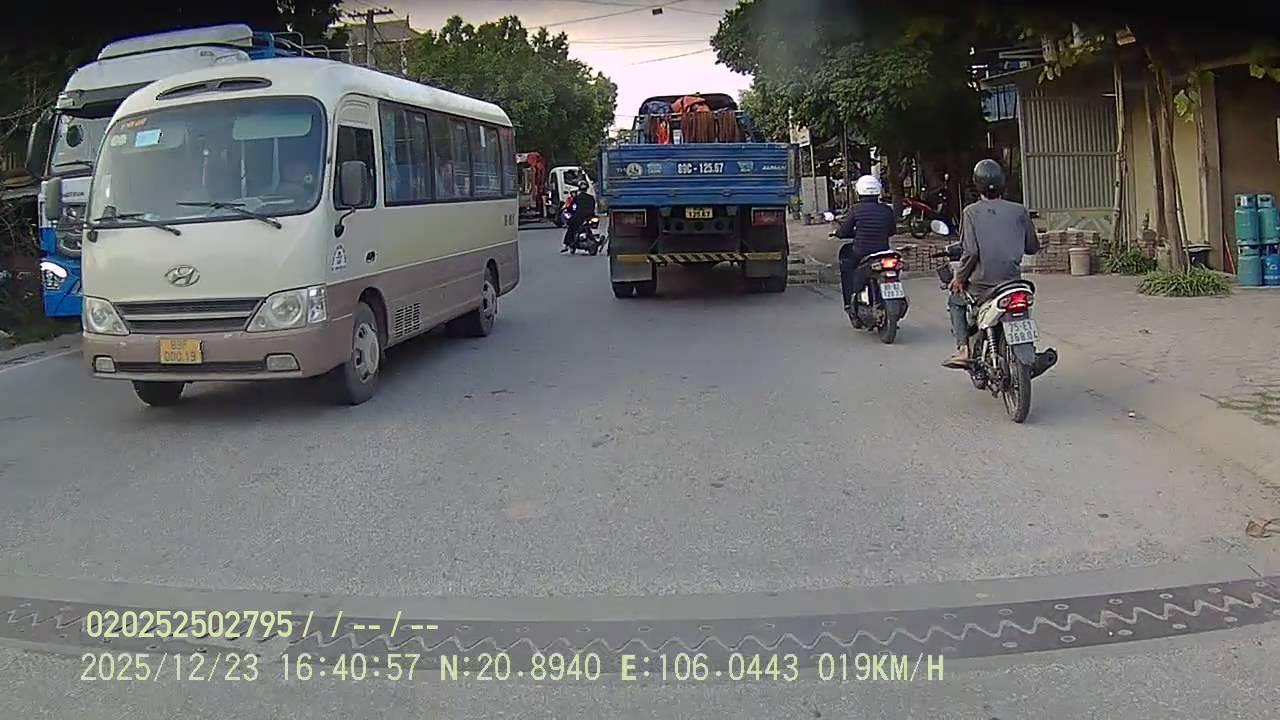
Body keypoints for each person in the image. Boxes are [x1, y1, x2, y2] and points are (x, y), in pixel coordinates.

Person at [943, 158, 1041, 368]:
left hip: (983, 286)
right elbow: (1032, 246)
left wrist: (959, 279)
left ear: (976, 185)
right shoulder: (1020, 211)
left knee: (955, 301)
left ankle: (963, 350)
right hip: (1014, 283)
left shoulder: (970, 212)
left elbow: (970, 252)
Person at [833, 175, 896, 325]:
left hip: (861, 253)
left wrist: (838, 233)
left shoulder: (855, 210)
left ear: (859, 191)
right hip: (883, 253)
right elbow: (892, 231)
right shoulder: (886, 210)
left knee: (847, 268)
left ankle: (850, 303)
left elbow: (844, 230)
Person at [561, 179, 596, 253]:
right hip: (590, 216)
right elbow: (593, 207)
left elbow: (571, 207)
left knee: (571, 228)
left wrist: (569, 210)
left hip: (579, 217)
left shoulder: (577, 198)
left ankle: (566, 244)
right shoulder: (591, 198)